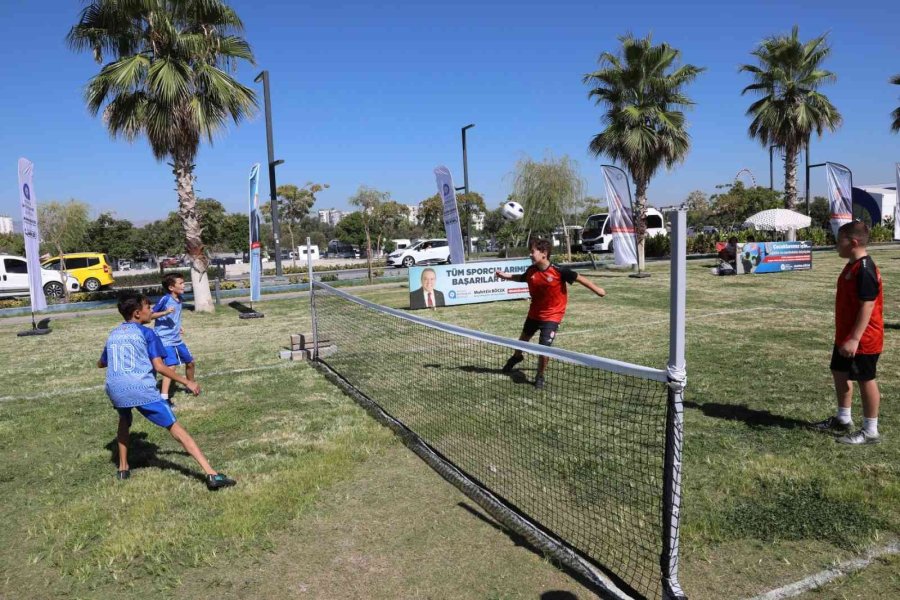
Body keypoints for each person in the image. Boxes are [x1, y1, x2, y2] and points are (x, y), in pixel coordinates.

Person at [99, 293, 236, 489]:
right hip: (140, 388)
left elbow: (101, 363)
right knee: (175, 428)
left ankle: (123, 468)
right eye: (148, 307)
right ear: (138, 313)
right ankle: (212, 474)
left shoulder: (113, 334)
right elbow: (161, 367)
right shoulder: (147, 333)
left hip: (115, 389)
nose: (152, 311)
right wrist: (186, 382)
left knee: (124, 420)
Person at [495, 238, 606, 389]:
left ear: (544, 253)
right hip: (534, 314)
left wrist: (598, 290)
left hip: (552, 316)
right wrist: (505, 276)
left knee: (544, 348)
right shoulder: (531, 270)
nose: (530, 254)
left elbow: (580, 278)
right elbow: (520, 278)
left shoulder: (559, 271)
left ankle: (540, 375)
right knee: (522, 341)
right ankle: (517, 356)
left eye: (532, 251)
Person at [812, 221, 884, 445]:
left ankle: (870, 430)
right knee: (839, 371)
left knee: (865, 379)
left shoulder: (865, 270)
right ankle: (843, 419)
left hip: (862, 340)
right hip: (846, 336)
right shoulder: (852, 265)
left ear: (853, 242)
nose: (836, 245)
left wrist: (854, 338)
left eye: (839, 241)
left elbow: (867, 306)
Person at [151, 274, 195, 406]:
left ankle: (190, 385)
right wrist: (165, 313)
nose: (184, 285)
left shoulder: (180, 298)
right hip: (164, 339)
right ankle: (164, 398)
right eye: (180, 283)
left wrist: (178, 326)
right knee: (171, 366)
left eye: (184, 283)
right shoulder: (165, 299)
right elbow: (150, 315)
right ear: (171, 287)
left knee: (191, 362)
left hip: (176, 338)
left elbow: (175, 316)